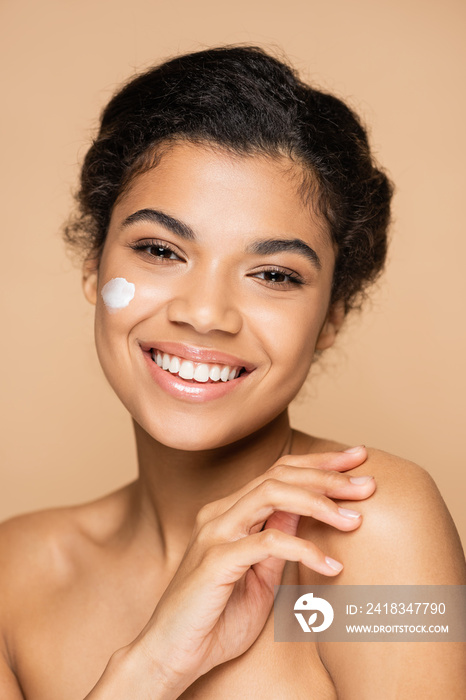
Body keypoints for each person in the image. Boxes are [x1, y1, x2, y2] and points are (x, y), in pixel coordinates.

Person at [0, 45, 464, 700]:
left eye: (273, 275)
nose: (205, 313)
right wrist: (150, 668)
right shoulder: (11, 579)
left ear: (332, 315)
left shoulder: (370, 529)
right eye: (160, 250)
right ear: (93, 267)